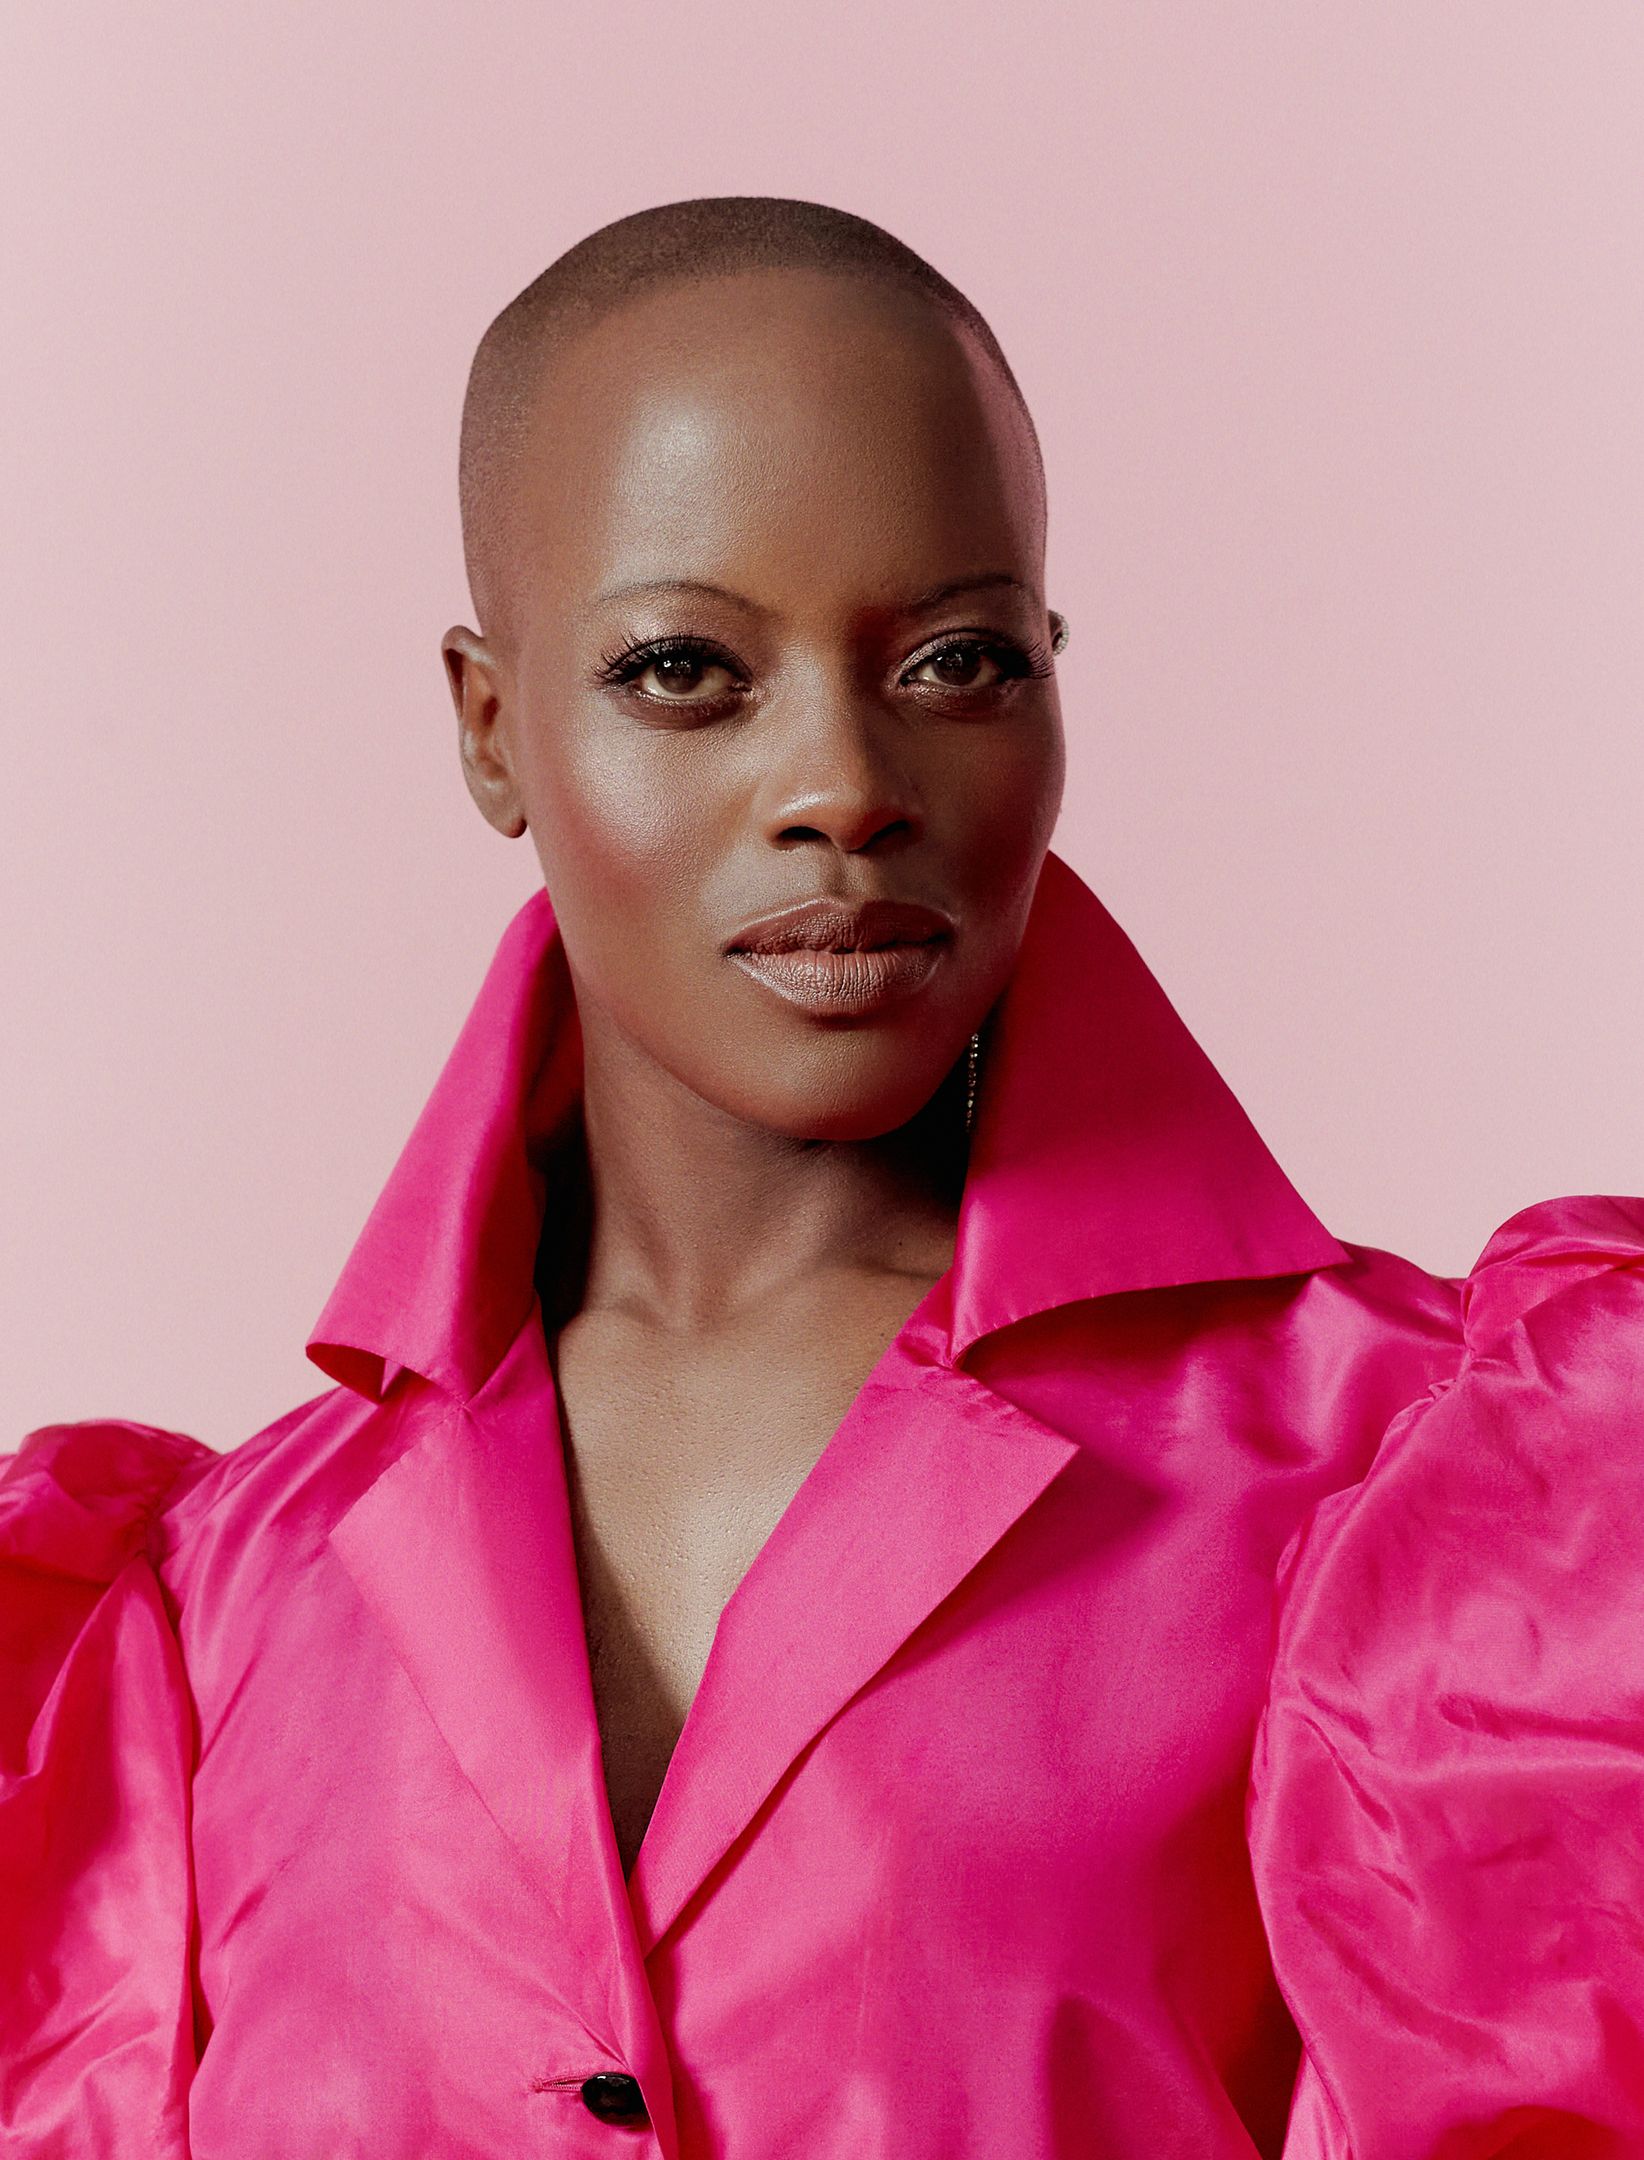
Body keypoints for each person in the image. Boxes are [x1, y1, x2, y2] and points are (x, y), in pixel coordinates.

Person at [2, 196, 1640, 2160]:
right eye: (685, 669)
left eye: (958, 660)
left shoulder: (1431, 1502)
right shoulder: (196, 1619)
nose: (847, 785)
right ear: (492, 727)